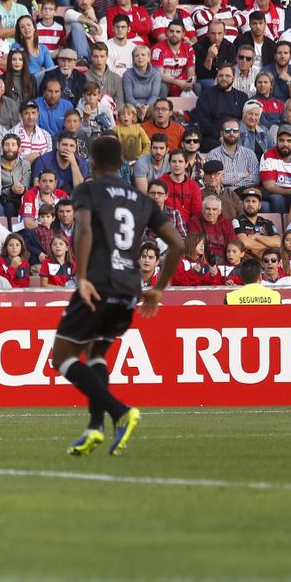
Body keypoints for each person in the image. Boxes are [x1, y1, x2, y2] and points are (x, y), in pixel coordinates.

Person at [55, 136, 184, 458]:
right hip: (129, 291)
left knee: (63, 356)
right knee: (96, 353)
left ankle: (119, 411)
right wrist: (158, 288)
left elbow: (83, 229)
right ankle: (95, 427)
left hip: (98, 283)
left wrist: (81, 277)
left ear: (93, 164)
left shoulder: (88, 188)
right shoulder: (142, 200)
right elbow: (178, 244)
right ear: (123, 165)